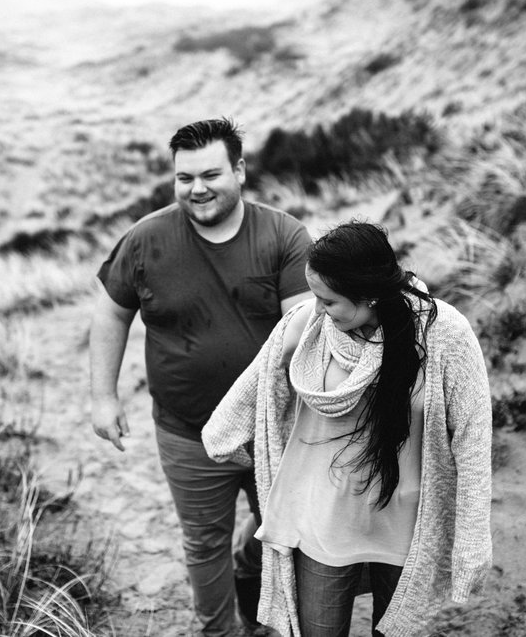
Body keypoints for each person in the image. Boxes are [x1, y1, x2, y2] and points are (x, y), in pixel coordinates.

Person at [203, 221, 493, 637]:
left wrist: (471, 537)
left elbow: (472, 438)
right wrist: (224, 438)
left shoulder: (443, 333)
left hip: (406, 522)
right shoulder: (305, 327)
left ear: (370, 295)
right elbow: (254, 386)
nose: (317, 309)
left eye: (329, 301)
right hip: (324, 519)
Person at [89, 117, 314, 636]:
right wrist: (104, 397)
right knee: (203, 542)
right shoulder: (146, 239)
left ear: (239, 169)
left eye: (210, 174)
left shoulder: (283, 234)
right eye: (184, 177)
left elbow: (302, 330)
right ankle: (222, 631)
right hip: (186, 431)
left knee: (283, 532)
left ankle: (262, 595)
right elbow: (110, 312)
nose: (198, 188)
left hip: (274, 429)